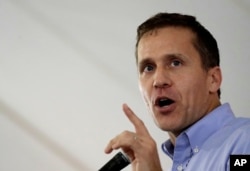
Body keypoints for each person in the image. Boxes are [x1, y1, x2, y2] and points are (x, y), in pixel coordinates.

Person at [104, 12, 250, 171]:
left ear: (213, 79)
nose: (159, 81)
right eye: (148, 68)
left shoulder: (244, 142)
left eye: (175, 63)